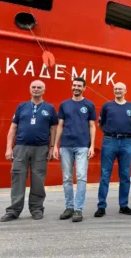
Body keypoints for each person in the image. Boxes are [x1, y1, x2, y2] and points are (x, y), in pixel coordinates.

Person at [0, 80, 58, 222]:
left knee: (38, 179)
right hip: (21, 147)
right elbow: (13, 128)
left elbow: (54, 129)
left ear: (44, 90)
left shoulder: (50, 108)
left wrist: (52, 147)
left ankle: (36, 208)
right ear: (29, 89)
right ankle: (14, 210)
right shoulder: (22, 107)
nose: (36, 89)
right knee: (17, 177)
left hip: (41, 148)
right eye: (33, 87)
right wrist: (9, 147)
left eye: (39, 87)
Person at [53, 77, 97, 222]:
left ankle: (78, 209)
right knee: (66, 178)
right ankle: (69, 207)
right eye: (74, 85)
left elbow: (92, 126)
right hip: (65, 145)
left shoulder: (89, 105)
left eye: (79, 86)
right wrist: (55, 145)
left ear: (84, 88)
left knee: (81, 177)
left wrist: (92, 145)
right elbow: (60, 125)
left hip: (82, 145)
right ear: (71, 87)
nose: (76, 87)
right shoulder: (64, 104)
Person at [95, 82, 131, 217]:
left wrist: (123, 134)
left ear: (125, 91)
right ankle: (101, 206)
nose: (118, 91)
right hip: (110, 141)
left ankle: (123, 205)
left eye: (120, 89)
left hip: (126, 142)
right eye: (116, 89)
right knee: (105, 174)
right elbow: (100, 125)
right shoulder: (107, 106)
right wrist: (111, 134)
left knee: (125, 175)